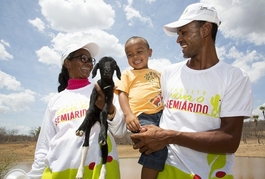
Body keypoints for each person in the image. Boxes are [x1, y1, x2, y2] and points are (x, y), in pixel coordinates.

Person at [131, 3, 252, 179]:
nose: (178, 39)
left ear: (205, 30)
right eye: (178, 33)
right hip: (165, 172)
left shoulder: (235, 77)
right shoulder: (169, 73)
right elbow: (150, 112)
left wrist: (168, 136)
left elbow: (230, 140)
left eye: (184, 32)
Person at [27, 42, 126, 179]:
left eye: (90, 60)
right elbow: (44, 146)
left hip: (98, 172)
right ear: (68, 63)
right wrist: (33, 176)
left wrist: (109, 108)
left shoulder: (103, 90)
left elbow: (120, 131)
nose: (89, 64)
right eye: (83, 58)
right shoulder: (55, 101)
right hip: (60, 173)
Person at [115, 36, 167, 179]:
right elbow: (122, 94)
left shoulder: (158, 74)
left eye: (139, 52)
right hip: (142, 118)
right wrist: (128, 115)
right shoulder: (126, 74)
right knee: (156, 150)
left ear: (149, 52)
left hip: (163, 115)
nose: (135, 57)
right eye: (130, 55)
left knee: (171, 146)